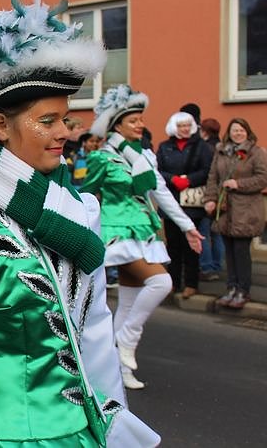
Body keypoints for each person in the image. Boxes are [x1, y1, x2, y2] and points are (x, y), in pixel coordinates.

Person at [0, 0, 159, 447]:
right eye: (49, 121)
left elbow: (96, 330)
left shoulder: (81, 210)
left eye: (66, 119)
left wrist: (111, 424)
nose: (66, 132)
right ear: (2, 126)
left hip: (76, 432)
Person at [82, 85, 203, 391]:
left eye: (141, 119)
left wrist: (188, 226)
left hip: (145, 232)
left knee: (127, 303)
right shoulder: (101, 159)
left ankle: (115, 369)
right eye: (134, 120)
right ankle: (124, 341)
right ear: (117, 125)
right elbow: (84, 195)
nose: (141, 124)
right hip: (118, 233)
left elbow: (160, 193)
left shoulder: (144, 155)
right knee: (162, 282)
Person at [203, 118, 267, 310]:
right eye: (234, 130)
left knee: (241, 252)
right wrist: (210, 199)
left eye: (241, 130)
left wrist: (239, 184)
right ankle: (231, 287)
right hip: (225, 210)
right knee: (229, 252)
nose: (237, 133)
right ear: (228, 132)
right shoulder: (221, 151)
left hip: (245, 209)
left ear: (247, 132)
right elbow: (213, 176)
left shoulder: (256, 152)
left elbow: (263, 178)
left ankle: (243, 290)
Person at [155, 111, 212, 299]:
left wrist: (189, 180)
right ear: (174, 127)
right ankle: (173, 281)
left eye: (188, 125)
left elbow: (207, 170)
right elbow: (158, 170)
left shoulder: (201, 147)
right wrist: (172, 179)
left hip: (192, 202)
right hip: (170, 199)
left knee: (191, 246)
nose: (185, 129)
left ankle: (191, 283)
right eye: (181, 126)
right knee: (173, 245)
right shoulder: (164, 147)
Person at [198, 118, 224, 280]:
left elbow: (209, 175)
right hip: (221, 196)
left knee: (204, 232)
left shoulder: (205, 148)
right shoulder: (222, 147)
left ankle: (207, 267)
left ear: (204, 131)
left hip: (207, 195)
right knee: (217, 233)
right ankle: (217, 265)